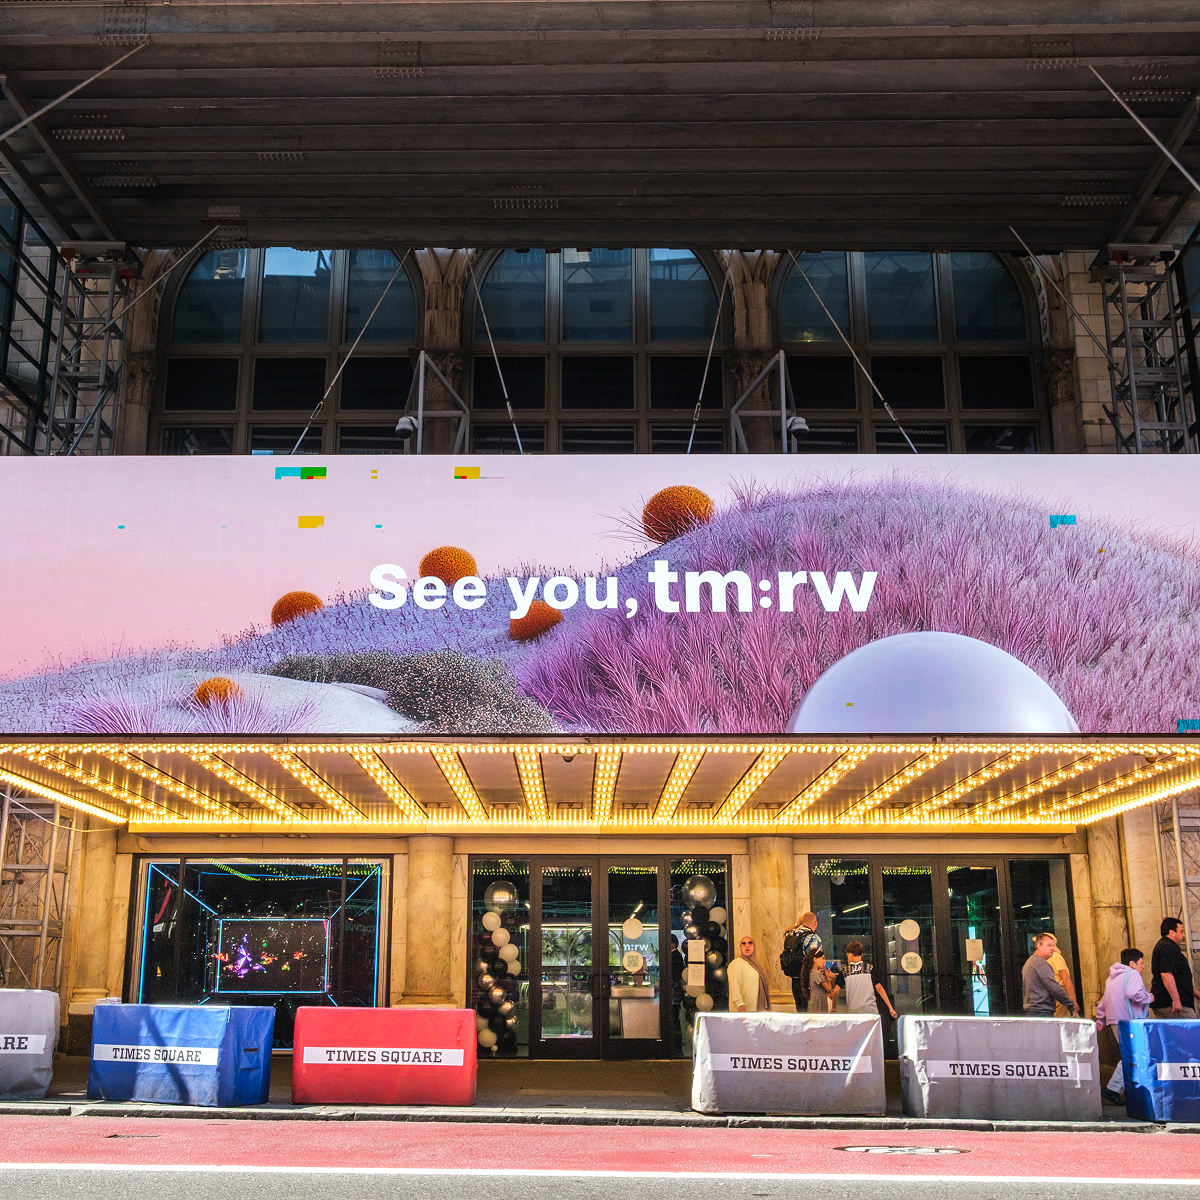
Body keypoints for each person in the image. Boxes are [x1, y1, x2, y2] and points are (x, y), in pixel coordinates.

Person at [1095, 948, 1152, 1105]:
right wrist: (1149, 997)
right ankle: (1113, 1089)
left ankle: (1128, 1091)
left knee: (1131, 1055)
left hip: (1115, 1020)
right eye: (1142, 963)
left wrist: (1101, 1019)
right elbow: (1134, 993)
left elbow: (1104, 1001)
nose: (1143, 967)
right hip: (1130, 1021)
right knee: (1132, 1055)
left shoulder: (1111, 978)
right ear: (1132, 963)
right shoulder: (1132, 974)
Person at [833, 941, 897, 1021]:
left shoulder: (845, 971)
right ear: (862, 954)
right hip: (870, 1010)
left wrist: (833, 1006)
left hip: (854, 1011)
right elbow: (879, 988)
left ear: (849, 955)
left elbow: (836, 991)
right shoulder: (869, 968)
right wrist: (890, 1008)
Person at [1151, 917, 1196, 1018]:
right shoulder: (1168, 947)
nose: (1184, 935)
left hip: (1165, 1002)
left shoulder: (1167, 946)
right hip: (1170, 1003)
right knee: (1191, 1032)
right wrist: (1176, 1000)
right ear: (1172, 932)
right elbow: (1166, 974)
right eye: (1181, 931)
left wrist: (1195, 993)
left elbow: (1178, 979)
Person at [1023, 933, 1077, 1016]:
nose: (1052, 948)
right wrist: (1070, 1004)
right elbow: (1054, 987)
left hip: (1034, 1009)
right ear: (1039, 946)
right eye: (1049, 945)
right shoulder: (1041, 963)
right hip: (1042, 1010)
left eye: (1053, 945)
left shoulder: (1030, 962)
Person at [781, 912, 822, 1012]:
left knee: (800, 1012)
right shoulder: (813, 938)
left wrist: (797, 924)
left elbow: (785, 932)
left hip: (794, 981)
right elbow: (817, 960)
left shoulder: (791, 934)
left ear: (802, 922)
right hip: (807, 981)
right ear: (815, 923)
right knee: (810, 1012)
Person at [728, 934, 771, 1013]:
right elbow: (734, 985)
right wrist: (739, 1003)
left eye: (750, 943)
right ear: (740, 947)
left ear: (754, 946)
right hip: (743, 1010)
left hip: (755, 1009)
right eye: (743, 944)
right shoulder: (736, 964)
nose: (747, 946)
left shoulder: (756, 966)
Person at [1045, 934, 1080, 1018]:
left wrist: (1072, 1000)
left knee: (1060, 1027)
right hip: (1056, 998)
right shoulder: (1047, 958)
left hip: (1060, 999)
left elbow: (1066, 978)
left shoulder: (1054, 957)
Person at [799, 946, 837, 1014]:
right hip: (818, 1004)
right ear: (815, 960)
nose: (824, 961)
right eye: (822, 959)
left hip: (814, 1003)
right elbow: (829, 989)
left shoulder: (812, 972)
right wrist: (828, 977)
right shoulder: (817, 974)